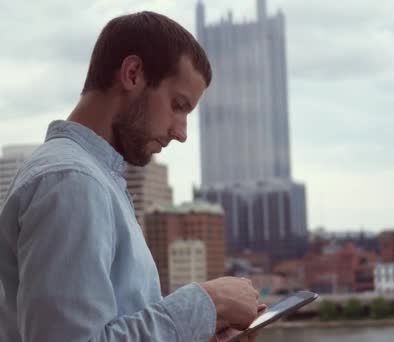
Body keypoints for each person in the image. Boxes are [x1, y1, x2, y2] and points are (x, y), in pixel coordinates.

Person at [0, 11, 264, 342]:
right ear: (133, 74)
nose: (181, 132)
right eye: (178, 105)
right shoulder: (73, 182)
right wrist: (206, 304)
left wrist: (197, 334)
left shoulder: (91, 181)